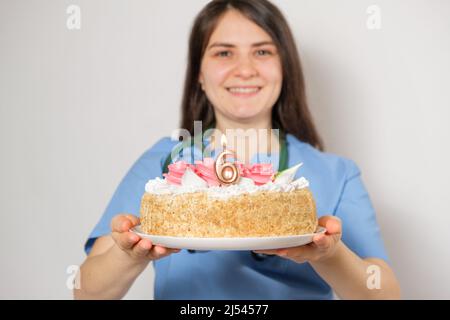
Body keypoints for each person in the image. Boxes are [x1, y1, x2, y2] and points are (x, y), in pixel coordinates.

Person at [74, 0, 401, 300]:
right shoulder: (165, 163)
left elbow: (385, 293)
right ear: (199, 74)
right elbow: (85, 293)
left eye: (262, 52)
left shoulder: (334, 173)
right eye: (223, 53)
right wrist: (128, 255)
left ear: (284, 68)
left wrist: (329, 255)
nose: (245, 69)